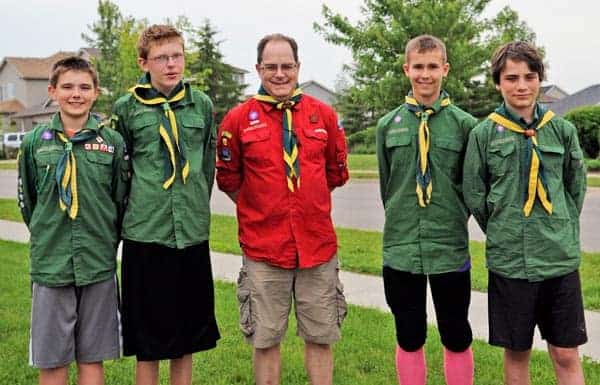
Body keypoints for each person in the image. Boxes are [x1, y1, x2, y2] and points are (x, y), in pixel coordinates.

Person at [216, 33, 349, 385]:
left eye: (286, 66)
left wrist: (305, 203)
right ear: (259, 68)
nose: (279, 74)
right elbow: (229, 180)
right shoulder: (239, 120)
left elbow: (335, 174)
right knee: (265, 338)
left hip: (316, 247)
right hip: (264, 250)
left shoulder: (323, 116)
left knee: (321, 337)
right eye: (271, 66)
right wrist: (264, 206)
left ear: (298, 67)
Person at [463, 41, 587, 385]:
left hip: (558, 260)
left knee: (565, 353)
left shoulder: (561, 131)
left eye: (529, 77)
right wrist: (505, 227)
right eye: (512, 77)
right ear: (498, 83)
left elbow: (574, 189)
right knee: (517, 352)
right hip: (510, 262)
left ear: (540, 80)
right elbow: (476, 194)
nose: (521, 85)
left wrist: (556, 225)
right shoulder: (484, 134)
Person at [112, 24, 220, 385]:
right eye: (161, 58)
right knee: (149, 339)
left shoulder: (200, 104)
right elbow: (121, 170)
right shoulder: (127, 108)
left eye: (177, 56)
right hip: (147, 233)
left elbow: (206, 163)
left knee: (187, 333)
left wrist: (194, 208)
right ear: (144, 62)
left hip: (189, 233)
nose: (171, 65)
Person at [17, 56, 127, 385]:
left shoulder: (111, 143)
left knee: (92, 356)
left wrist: (106, 241)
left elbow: (119, 200)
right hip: (51, 263)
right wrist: (48, 235)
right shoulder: (35, 142)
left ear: (96, 93)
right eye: (67, 87)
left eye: (84, 87)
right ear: (52, 91)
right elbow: (29, 204)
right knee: (52, 359)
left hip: (97, 262)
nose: (75, 94)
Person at [376, 35, 477, 385]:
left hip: (449, 247)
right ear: (406, 69)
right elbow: (387, 185)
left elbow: (470, 188)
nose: (425, 74)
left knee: (456, 332)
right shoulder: (388, 125)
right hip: (401, 247)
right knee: (408, 333)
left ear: (445, 70)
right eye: (418, 67)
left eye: (433, 66)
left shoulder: (466, 127)